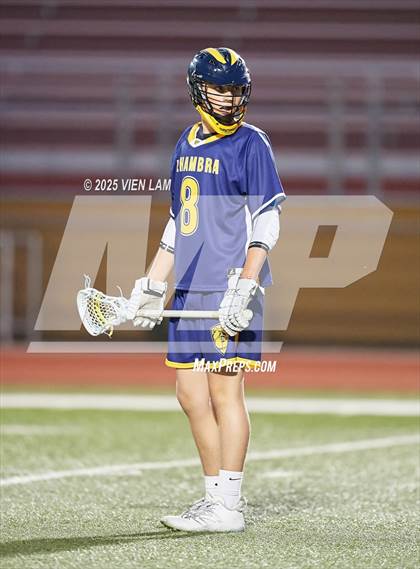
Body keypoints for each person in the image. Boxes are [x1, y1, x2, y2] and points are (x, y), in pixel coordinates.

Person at [126, 47, 286, 533]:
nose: (228, 99)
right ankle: (214, 497)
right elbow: (180, 221)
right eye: (219, 89)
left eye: (235, 90)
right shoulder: (185, 143)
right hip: (191, 289)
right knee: (190, 394)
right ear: (198, 90)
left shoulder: (251, 143)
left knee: (224, 392)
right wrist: (153, 282)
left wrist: (246, 283)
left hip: (230, 287)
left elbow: (268, 218)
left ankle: (228, 507)